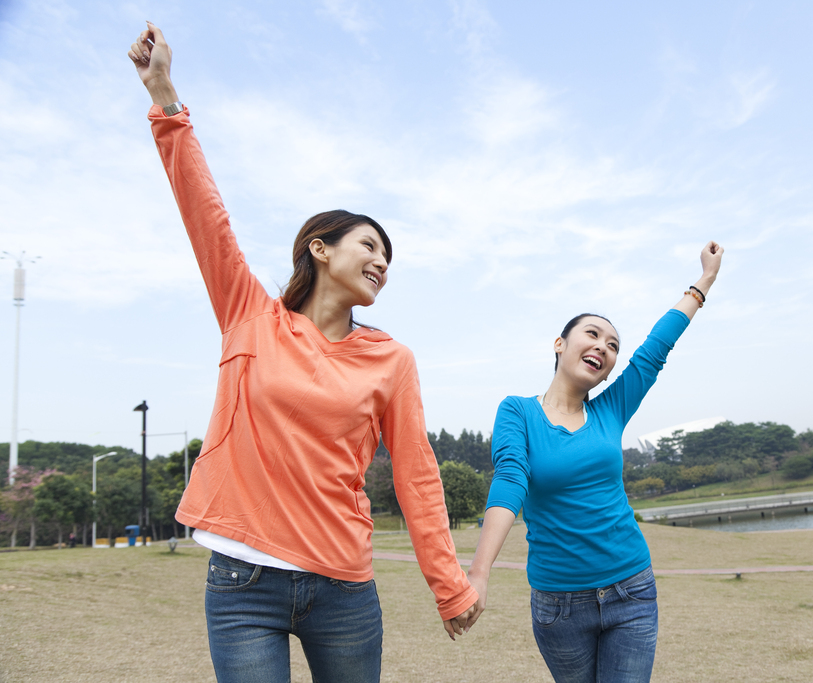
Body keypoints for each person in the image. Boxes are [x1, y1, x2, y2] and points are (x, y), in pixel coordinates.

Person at [128, 23, 478, 683]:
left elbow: (417, 476)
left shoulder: (392, 360)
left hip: (344, 586)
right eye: (369, 245)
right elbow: (207, 216)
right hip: (244, 578)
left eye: (389, 257)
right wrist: (166, 101)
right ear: (320, 246)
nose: (381, 261)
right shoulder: (249, 316)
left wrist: (448, 583)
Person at [467, 242, 723, 683]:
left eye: (612, 346)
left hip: (632, 591)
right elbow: (510, 480)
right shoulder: (518, 412)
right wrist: (479, 572)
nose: (603, 347)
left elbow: (655, 349)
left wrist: (704, 281)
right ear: (560, 344)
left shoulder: (611, 409)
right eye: (592, 334)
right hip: (559, 605)